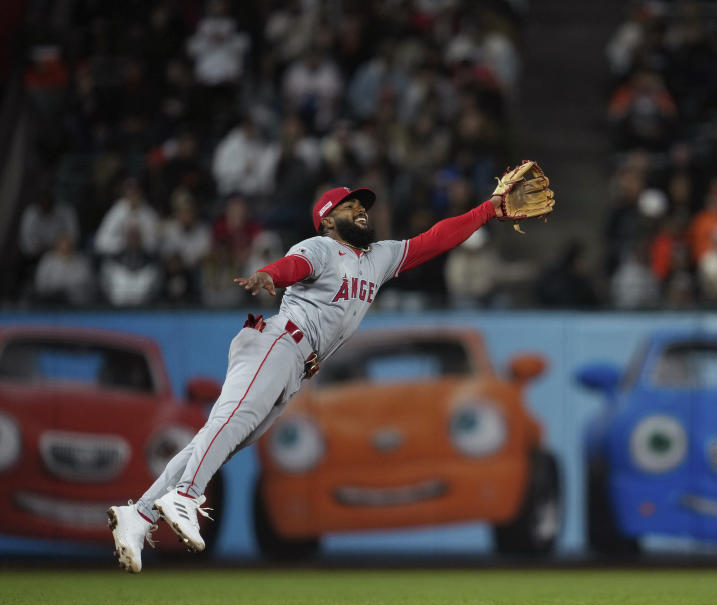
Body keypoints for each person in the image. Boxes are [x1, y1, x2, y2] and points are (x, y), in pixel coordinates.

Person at [107, 182, 515, 573]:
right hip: (278, 342)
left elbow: (435, 239)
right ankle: (186, 495)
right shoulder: (321, 246)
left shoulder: (379, 257)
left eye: (363, 205)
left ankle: (138, 515)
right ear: (327, 219)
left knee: (222, 439)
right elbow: (293, 265)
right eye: (349, 205)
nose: (360, 209)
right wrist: (269, 274)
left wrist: (487, 210)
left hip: (297, 364)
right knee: (229, 425)